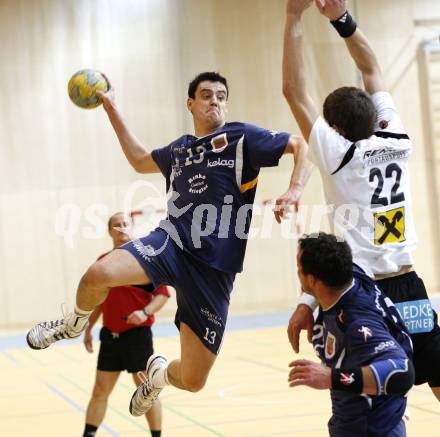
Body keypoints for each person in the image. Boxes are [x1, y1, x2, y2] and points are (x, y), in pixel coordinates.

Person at [27, 71, 312, 417]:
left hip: (213, 272)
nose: (215, 102)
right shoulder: (180, 149)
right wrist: (112, 108)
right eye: (206, 96)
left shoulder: (240, 138)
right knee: (98, 273)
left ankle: (158, 375)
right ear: (191, 104)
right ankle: (73, 323)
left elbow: (300, 145)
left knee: (193, 380)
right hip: (171, 244)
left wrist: (294, 190)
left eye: (221, 96)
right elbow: (138, 158)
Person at [281, 0, 440, 401]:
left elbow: (292, 91)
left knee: (370, 395)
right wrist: (341, 18)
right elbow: (372, 70)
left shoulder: (339, 157)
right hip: (410, 285)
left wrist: (293, 16)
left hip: (366, 292)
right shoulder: (396, 137)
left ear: (334, 129)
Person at [289, 232, 414, 436]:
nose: (297, 271)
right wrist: (305, 305)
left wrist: (332, 377)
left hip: (373, 428)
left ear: (312, 280)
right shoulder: (352, 272)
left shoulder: (357, 326)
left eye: (298, 267)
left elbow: (402, 372)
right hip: (354, 421)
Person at [82, 212, 170, 437]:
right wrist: (89, 328)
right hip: (110, 337)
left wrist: (144, 312)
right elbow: (98, 301)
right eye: (116, 225)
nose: (121, 228)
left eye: (125, 224)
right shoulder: (103, 262)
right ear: (110, 231)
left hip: (137, 337)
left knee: (146, 390)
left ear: (131, 227)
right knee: (100, 390)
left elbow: (162, 295)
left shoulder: (144, 259)